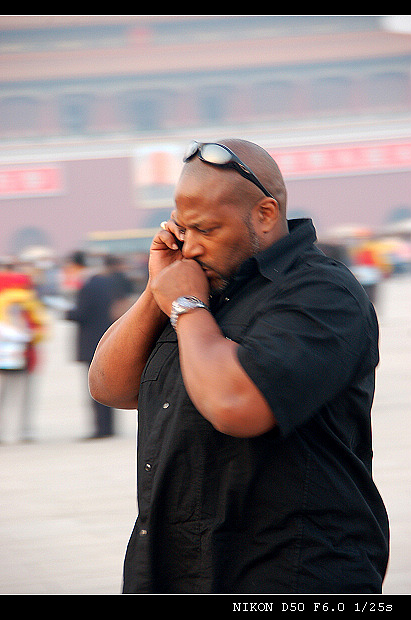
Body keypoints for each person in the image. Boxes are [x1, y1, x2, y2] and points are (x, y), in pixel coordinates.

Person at [89, 139, 389, 593]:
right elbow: (109, 386)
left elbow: (235, 404)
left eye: (206, 229)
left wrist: (187, 307)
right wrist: (158, 288)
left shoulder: (323, 293)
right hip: (177, 570)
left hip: (290, 572)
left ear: (265, 215)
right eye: (182, 229)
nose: (190, 246)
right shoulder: (196, 287)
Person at [67, 252, 132, 438]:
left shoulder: (88, 286)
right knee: (107, 385)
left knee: (95, 388)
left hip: (91, 342)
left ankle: (101, 429)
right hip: (108, 339)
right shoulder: (109, 282)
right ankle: (108, 427)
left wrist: (67, 312)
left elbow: (81, 313)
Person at [0, 260, 47, 442]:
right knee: (25, 396)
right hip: (26, 354)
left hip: (5, 355)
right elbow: (40, 326)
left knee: (3, 395)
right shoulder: (28, 301)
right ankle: (25, 430)